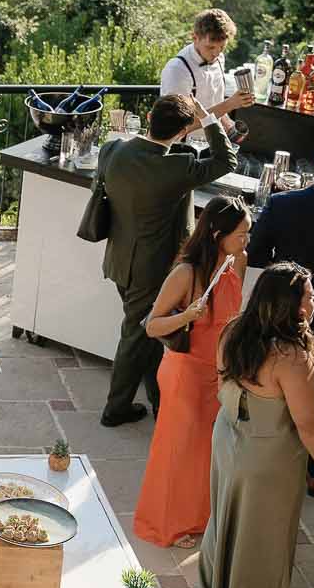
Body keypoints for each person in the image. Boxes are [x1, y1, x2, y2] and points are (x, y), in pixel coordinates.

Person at [199, 262, 314, 588]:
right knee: (265, 535)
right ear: (289, 305)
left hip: (227, 438)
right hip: (268, 455)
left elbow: (223, 386)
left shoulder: (233, 331)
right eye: (309, 295)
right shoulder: (292, 358)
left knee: (225, 515)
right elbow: (308, 425)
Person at [97, 92, 237, 427]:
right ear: (182, 132)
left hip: (118, 259)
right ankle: (114, 410)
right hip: (152, 268)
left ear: (148, 118)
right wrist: (209, 118)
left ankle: (160, 402)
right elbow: (225, 161)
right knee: (137, 334)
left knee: (148, 330)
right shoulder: (178, 167)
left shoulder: (112, 150)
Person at [133, 195, 249, 546]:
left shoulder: (236, 263)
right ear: (217, 234)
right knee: (177, 452)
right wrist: (186, 316)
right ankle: (166, 524)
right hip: (185, 374)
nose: (246, 242)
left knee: (204, 452)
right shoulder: (185, 274)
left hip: (217, 373)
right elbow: (152, 326)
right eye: (241, 234)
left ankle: (196, 520)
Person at [247, 120, 314, 488]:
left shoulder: (282, 203)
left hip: (279, 314)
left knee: (269, 387)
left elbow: (255, 255)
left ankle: (269, 461)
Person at [158, 9, 254, 128]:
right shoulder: (177, 70)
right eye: (210, 47)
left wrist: (228, 125)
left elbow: (215, 104)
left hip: (213, 141)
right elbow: (178, 125)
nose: (216, 53)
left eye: (222, 47)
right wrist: (230, 104)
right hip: (185, 145)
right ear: (195, 37)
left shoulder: (219, 58)